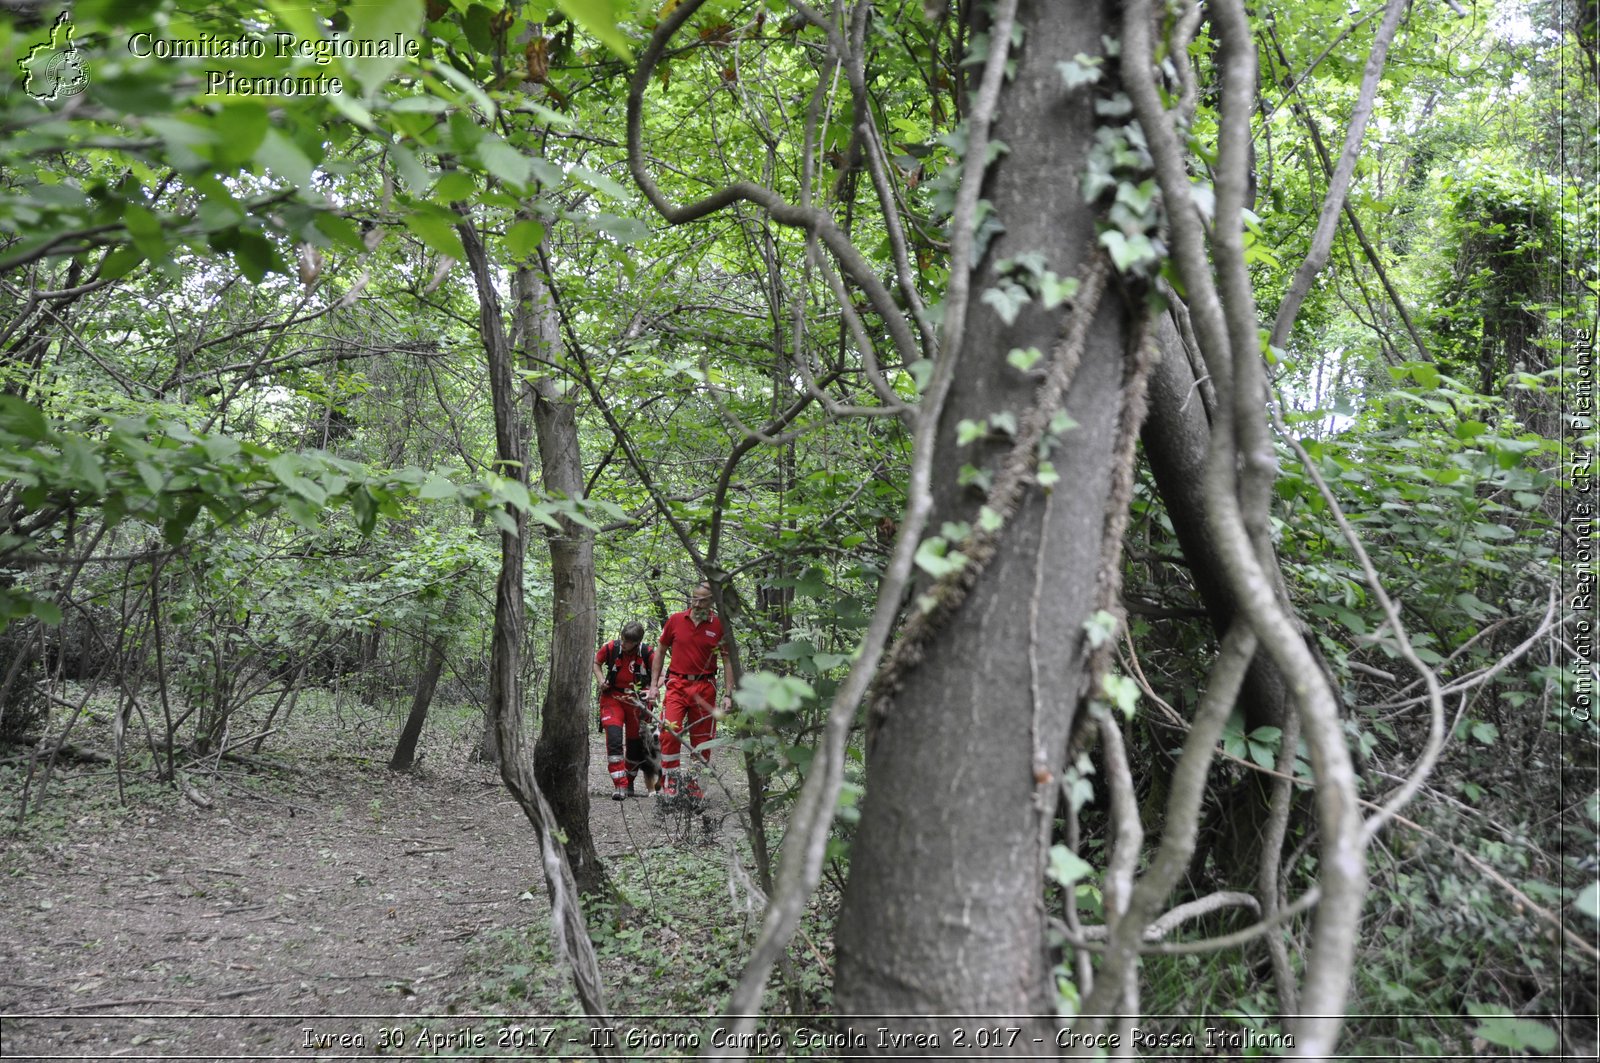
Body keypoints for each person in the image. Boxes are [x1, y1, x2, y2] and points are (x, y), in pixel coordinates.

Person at [646, 582, 731, 801]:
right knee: (669, 734)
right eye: (694, 598)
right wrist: (654, 685)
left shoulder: (720, 624)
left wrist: (729, 694)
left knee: (702, 741)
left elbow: (728, 660)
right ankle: (670, 786)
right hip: (677, 684)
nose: (697, 603)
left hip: (705, 688)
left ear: (712, 600)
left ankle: (696, 790)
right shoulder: (675, 620)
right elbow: (661, 651)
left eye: (703, 599)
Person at [593, 621, 657, 800]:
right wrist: (600, 681)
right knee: (613, 738)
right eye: (623, 639)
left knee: (635, 746)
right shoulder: (611, 648)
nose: (624, 643)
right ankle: (619, 785)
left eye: (628, 641)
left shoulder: (648, 653)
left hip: (637, 702)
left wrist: (650, 690)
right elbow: (596, 663)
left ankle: (629, 782)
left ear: (637, 642)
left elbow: (660, 676)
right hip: (613, 698)